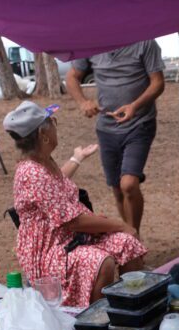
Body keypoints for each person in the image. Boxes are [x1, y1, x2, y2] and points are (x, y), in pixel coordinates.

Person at [5, 101, 147, 308]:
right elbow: (72, 222)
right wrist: (120, 224)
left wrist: (76, 158)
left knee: (127, 244)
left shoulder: (43, 161)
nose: (56, 125)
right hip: (50, 249)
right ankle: (96, 319)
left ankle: (132, 306)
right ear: (43, 136)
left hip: (70, 238)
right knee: (100, 261)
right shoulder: (32, 172)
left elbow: (56, 183)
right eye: (52, 122)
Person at [65, 40, 165, 233]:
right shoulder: (90, 42)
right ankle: (130, 238)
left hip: (139, 124)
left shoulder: (145, 42)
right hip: (106, 128)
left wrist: (134, 106)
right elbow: (72, 77)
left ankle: (132, 237)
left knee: (128, 184)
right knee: (118, 190)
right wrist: (83, 102)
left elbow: (158, 83)